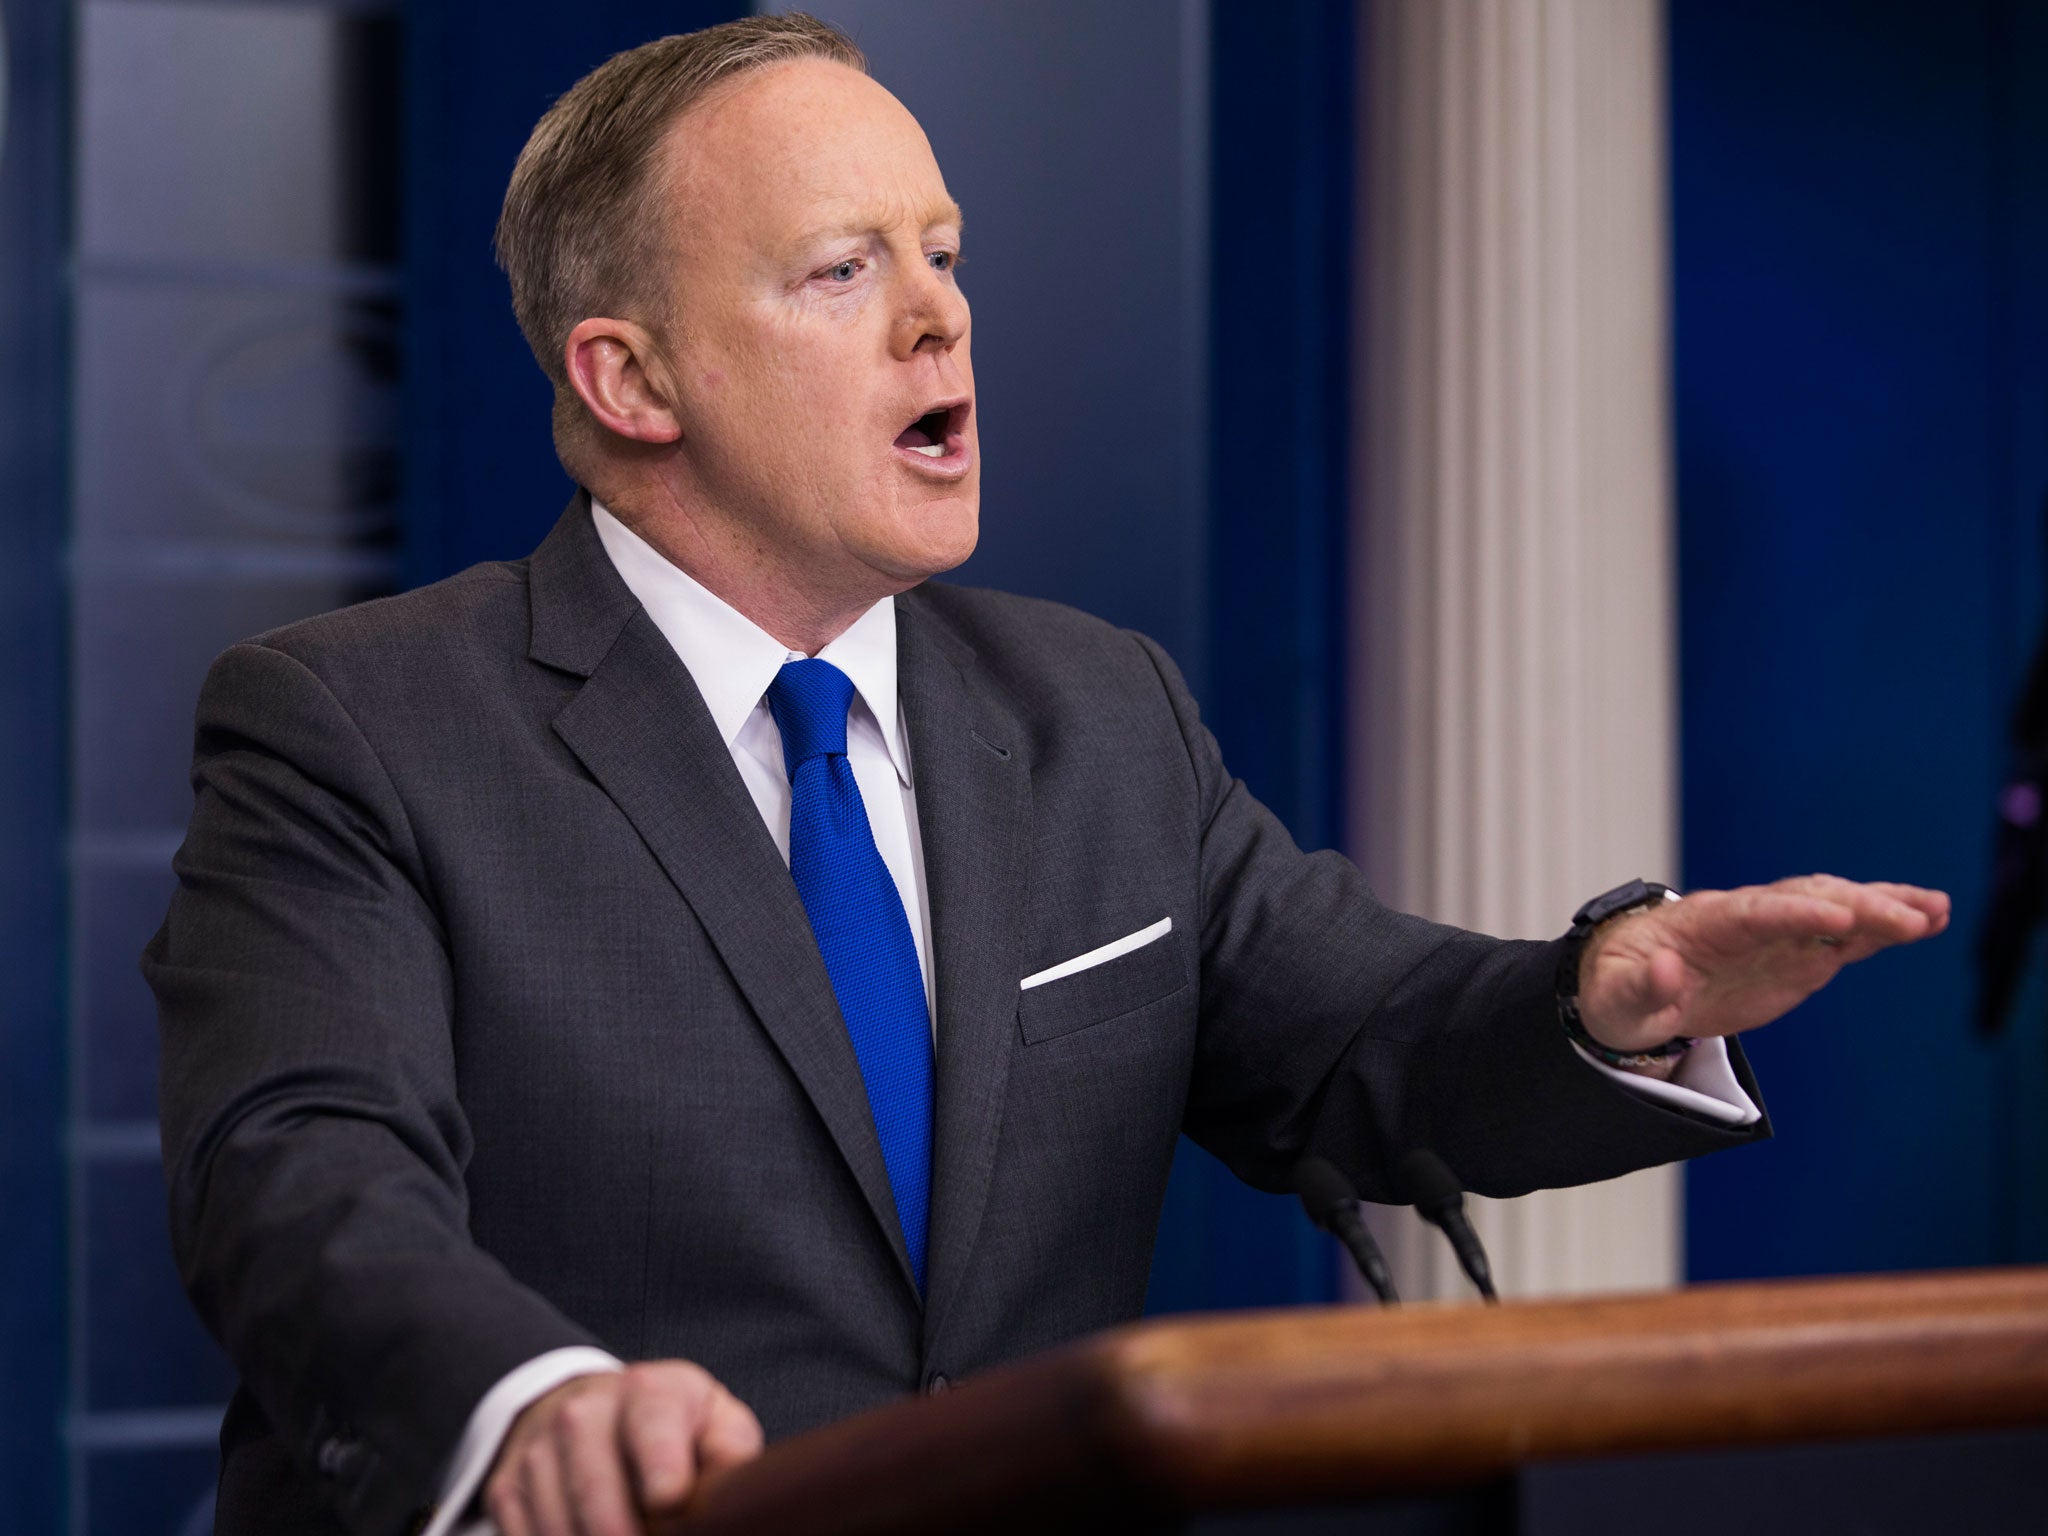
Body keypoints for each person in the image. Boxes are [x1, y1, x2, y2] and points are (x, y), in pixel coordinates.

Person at [145, 15, 1949, 1536]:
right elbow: (297, 1170)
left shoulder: (1098, 711)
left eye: (944, 252)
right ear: (632, 377)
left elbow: (1362, 1041)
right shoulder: (354, 724)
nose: (940, 319)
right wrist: (527, 1403)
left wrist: (1605, 999)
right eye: (844, 270)